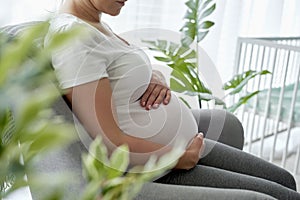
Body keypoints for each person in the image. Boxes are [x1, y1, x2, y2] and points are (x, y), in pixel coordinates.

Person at [45, 0, 300, 199]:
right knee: (277, 195)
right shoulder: (74, 37)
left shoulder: (94, 22)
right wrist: (176, 157)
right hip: (153, 169)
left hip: (179, 149)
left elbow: (119, 76)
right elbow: (110, 141)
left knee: (283, 180)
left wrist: (154, 76)